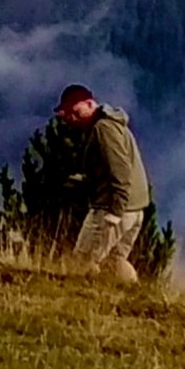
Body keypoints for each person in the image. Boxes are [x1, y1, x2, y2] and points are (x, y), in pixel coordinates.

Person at [52, 83, 150, 282]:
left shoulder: (103, 129)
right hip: (135, 209)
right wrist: (84, 180)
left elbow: (120, 171)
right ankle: (135, 298)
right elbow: (111, 170)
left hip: (113, 208)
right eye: (67, 113)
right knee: (114, 261)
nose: (72, 117)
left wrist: (115, 212)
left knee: (84, 259)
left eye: (76, 111)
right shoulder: (113, 124)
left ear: (90, 104)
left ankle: (79, 304)